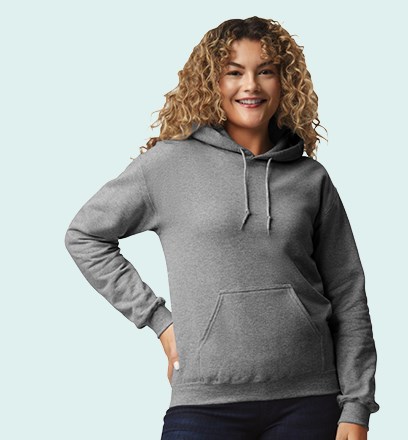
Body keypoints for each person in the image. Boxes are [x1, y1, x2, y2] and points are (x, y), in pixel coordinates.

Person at [64, 16, 380, 440]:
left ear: (284, 82)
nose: (250, 85)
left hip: (310, 400)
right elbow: (85, 235)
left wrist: (357, 405)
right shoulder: (168, 165)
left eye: (265, 71)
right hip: (204, 400)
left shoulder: (311, 178)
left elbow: (347, 293)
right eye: (234, 72)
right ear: (212, 82)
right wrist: (160, 321)